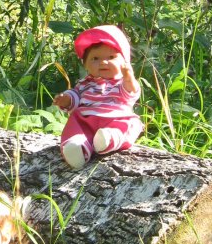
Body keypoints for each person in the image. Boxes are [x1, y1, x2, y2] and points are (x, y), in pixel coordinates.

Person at [53, 24, 144, 170]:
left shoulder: (121, 82)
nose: (103, 62)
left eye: (111, 57)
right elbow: (76, 96)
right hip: (86, 119)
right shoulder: (85, 84)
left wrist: (128, 77)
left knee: (131, 124)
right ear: (85, 64)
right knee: (75, 124)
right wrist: (67, 99)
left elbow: (131, 92)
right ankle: (77, 147)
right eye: (95, 58)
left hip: (115, 118)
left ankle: (110, 139)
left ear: (125, 62)